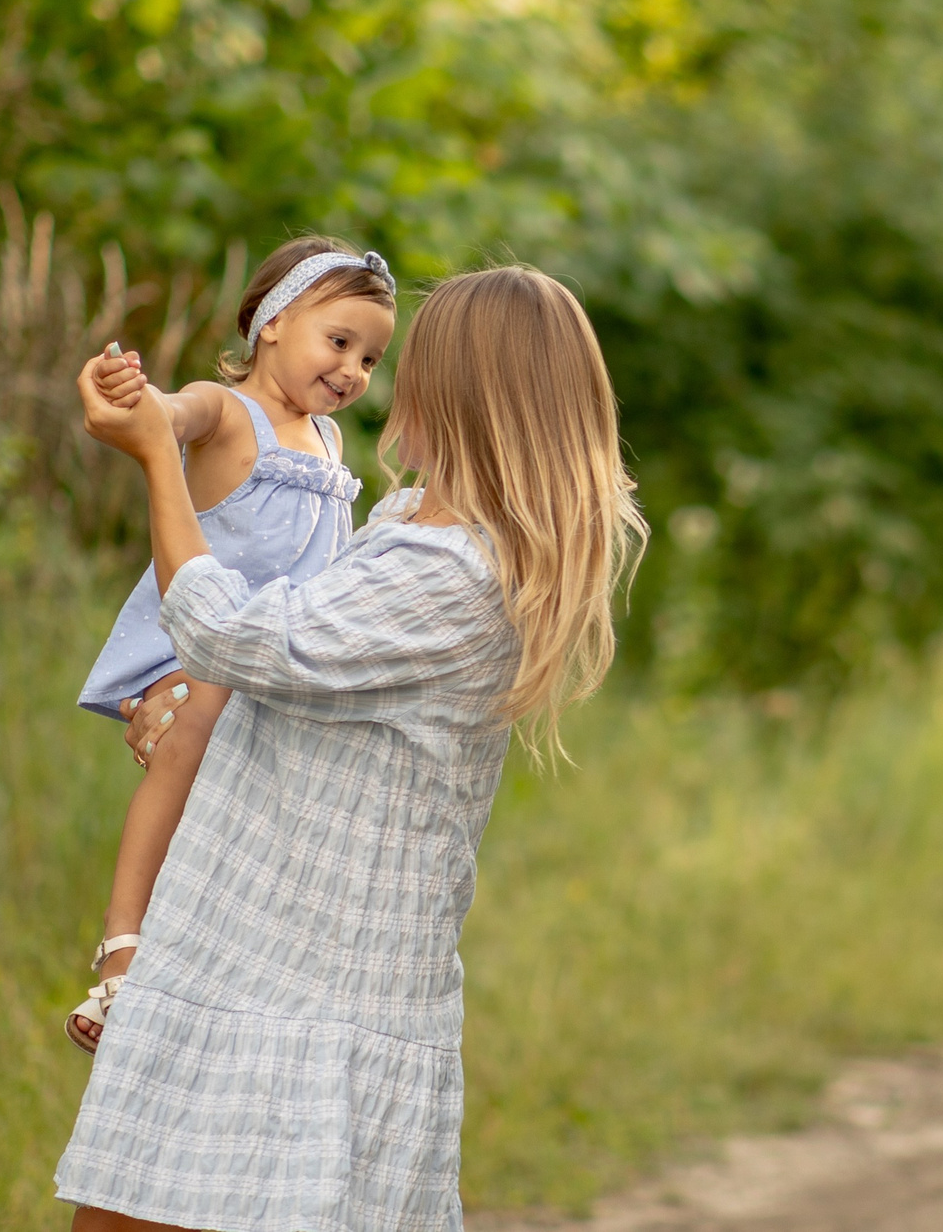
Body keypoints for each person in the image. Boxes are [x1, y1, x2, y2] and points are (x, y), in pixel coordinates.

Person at [58, 263, 647, 1232]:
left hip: (296, 988)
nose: (387, 378)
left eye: (407, 361)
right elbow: (284, 644)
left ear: (457, 393)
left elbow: (238, 635)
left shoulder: (451, 572)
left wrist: (159, 461)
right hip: (260, 967)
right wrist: (194, 701)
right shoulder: (406, 526)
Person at [64, 236, 398, 1054]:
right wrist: (133, 393)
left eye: (370, 357)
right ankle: (121, 944)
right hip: (199, 647)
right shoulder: (225, 408)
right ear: (275, 323)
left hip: (276, 660)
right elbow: (168, 415)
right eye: (340, 341)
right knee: (196, 723)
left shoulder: (330, 442)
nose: (354, 369)